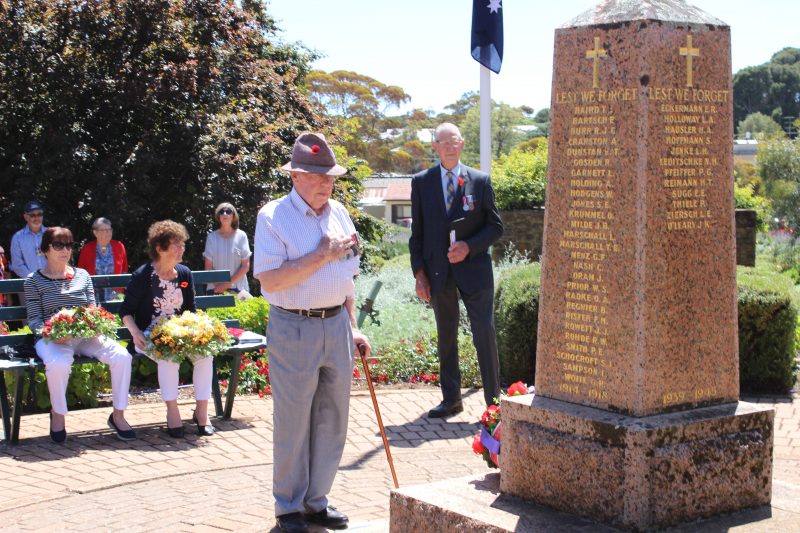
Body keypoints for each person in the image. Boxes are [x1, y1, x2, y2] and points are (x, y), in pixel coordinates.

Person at [254, 132, 371, 533]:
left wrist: (353, 327)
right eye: (318, 176)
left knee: (332, 418)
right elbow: (271, 279)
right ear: (296, 176)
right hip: (294, 325)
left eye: (330, 177)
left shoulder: (339, 210)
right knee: (293, 419)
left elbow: (348, 275)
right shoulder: (272, 216)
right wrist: (320, 254)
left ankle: (316, 501)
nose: (326, 183)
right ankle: (288, 507)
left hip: (337, 324)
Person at [409, 122, 503, 415]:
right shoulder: (421, 182)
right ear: (435, 147)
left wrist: (469, 247)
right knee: (446, 336)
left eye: (454, 142)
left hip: (475, 273)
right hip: (439, 273)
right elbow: (418, 234)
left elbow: (495, 227)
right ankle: (452, 400)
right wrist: (419, 274)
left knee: (483, 333)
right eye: (443, 142)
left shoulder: (480, 180)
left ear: (462, 145)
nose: (449, 147)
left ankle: (494, 404)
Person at [24, 227, 135, 443]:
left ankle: (118, 415)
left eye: (68, 245)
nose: (65, 250)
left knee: (122, 356)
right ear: (45, 249)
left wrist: (93, 324)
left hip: (86, 335)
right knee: (58, 364)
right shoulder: (33, 281)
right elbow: (35, 320)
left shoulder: (82, 275)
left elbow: (94, 308)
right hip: (52, 338)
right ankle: (58, 415)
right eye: (58, 245)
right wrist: (52, 333)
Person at [120, 220, 215, 438]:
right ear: (160, 248)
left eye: (182, 244)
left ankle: (202, 412)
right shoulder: (143, 276)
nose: (182, 248)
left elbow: (190, 309)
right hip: (149, 335)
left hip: (180, 334)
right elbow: (126, 311)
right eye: (176, 244)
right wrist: (135, 334)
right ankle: (172, 411)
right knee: (168, 357)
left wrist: (197, 332)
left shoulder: (183, 274)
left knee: (205, 354)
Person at [203, 203, 252, 295]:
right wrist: (219, 287)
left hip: (239, 290)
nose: (225, 214)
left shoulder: (242, 236)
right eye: (222, 212)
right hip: (215, 289)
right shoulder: (211, 237)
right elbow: (208, 267)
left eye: (228, 211)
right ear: (219, 216)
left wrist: (227, 285)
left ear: (233, 216)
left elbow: (245, 266)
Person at [77, 217, 129, 301]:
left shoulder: (119, 246)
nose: (107, 233)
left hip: (116, 296)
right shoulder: (87, 249)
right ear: (95, 233)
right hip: (94, 296)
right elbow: (80, 273)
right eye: (103, 230)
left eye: (109, 230)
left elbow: (124, 270)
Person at [10, 200, 48, 280]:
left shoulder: (51, 234)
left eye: (39, 214)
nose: (37, 218)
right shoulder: (17, 238)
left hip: (52, 283)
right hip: (29, 285)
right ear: (26, 217)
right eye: (33, 215)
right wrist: (34, 279)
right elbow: (17, 265)